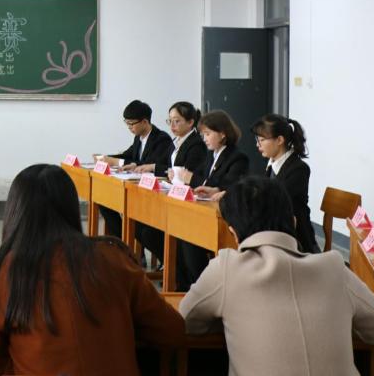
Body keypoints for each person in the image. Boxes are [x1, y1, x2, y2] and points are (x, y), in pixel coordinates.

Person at [0, 164, 184, 376]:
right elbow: (172, 330)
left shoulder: (1, 272)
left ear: (15, 212)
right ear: (71, 208)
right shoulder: (113, 259)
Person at [180, 177, 374, 376]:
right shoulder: (333, 267)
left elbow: (185, 322)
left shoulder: (226, 268)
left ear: (234, 233)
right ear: (294, 223)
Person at [177, 109, 250, 290]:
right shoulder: (211, 154)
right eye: (203, 134)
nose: (204, 139)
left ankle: (203, 286)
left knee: (190, 239)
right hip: (206, 209)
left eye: (208, 134)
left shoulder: (237, 157)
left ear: (223, 134)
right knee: (182, 232)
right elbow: (205, 178)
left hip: (225, 216)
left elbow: (228, 185)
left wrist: (193, 180)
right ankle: (189, 284)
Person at [136, 102, 206, 265]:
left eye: (177, 121)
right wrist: (161, 170)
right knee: (140, 226)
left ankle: (175, 267)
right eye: (170, 121)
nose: (172, 125)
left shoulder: (196, 144)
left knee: (149, 233)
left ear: (190, 122)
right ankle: (170, 265)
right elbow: (166, 166)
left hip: (185, 203)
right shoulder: (177, 141)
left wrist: (173, 173)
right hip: (172, 195)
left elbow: (188, 174)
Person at [98, 100, 172, 239]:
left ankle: (129, 242)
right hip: (136, 187)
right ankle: (123, 240)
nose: (129, 127)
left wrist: (117, 162)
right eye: (127, 123)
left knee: (133, 216)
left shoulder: (161, 139)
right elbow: (128, 154)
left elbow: (147, 164)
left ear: (144, 122)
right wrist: (106, 158)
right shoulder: (138, 137)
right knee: (104, 203)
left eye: (131, 123)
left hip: (152, 192)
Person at [252, 114, 319, 254]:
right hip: (276, 231)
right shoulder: (272, 164)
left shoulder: (299, 169)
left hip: (296, 239)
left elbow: (275, 200)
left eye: (262, 140)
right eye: (257, 140)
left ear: (279, 140)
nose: (257, 145)